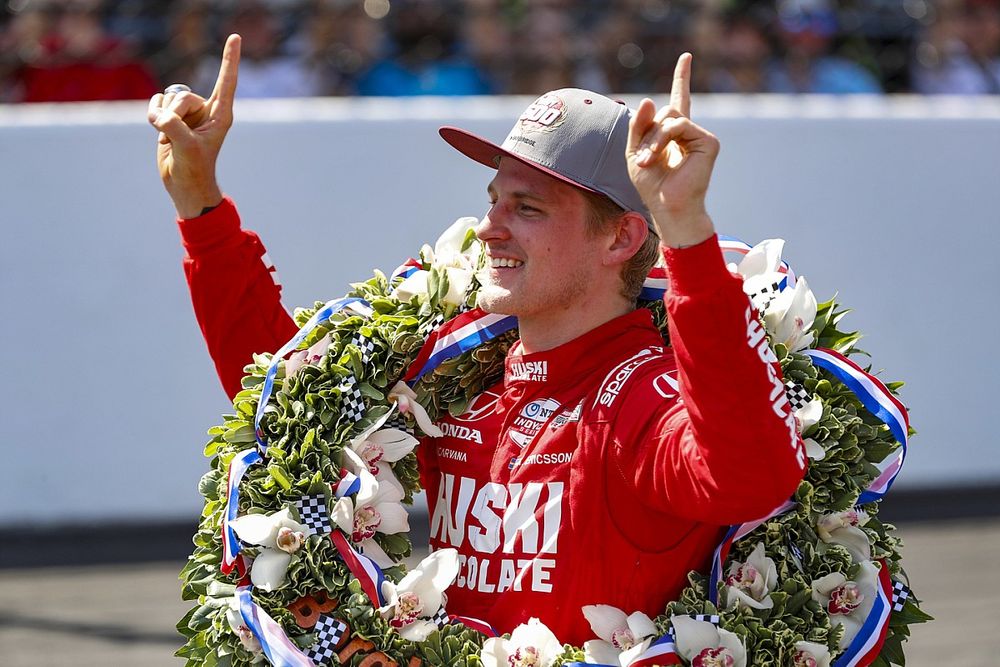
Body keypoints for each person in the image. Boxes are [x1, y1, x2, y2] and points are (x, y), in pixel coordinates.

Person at [148, 34, 806, 645]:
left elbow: (753, 478)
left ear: (621, 237)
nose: (488, 227)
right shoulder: (458, 370)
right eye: (494, 199)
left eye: (528, 207)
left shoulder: (640, 395)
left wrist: (687, 230)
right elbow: (290, 405)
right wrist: (200, 207)